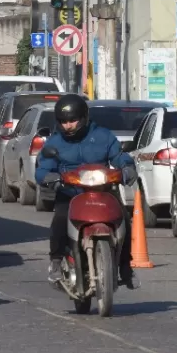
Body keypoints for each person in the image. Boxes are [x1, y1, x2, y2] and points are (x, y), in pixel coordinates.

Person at [35, 94, 138, 289]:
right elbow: (43, 169)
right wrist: (50, 178)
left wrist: (126, 168)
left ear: (84, 117)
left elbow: (119, 156)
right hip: (70, 193)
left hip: (103, 191)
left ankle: (126, 266)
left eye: (73, 120)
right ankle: (56, 262)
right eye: (64, 122)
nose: (68, 125)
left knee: (123, 218)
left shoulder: (103, 136)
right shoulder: (54, 143)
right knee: (59, 219)